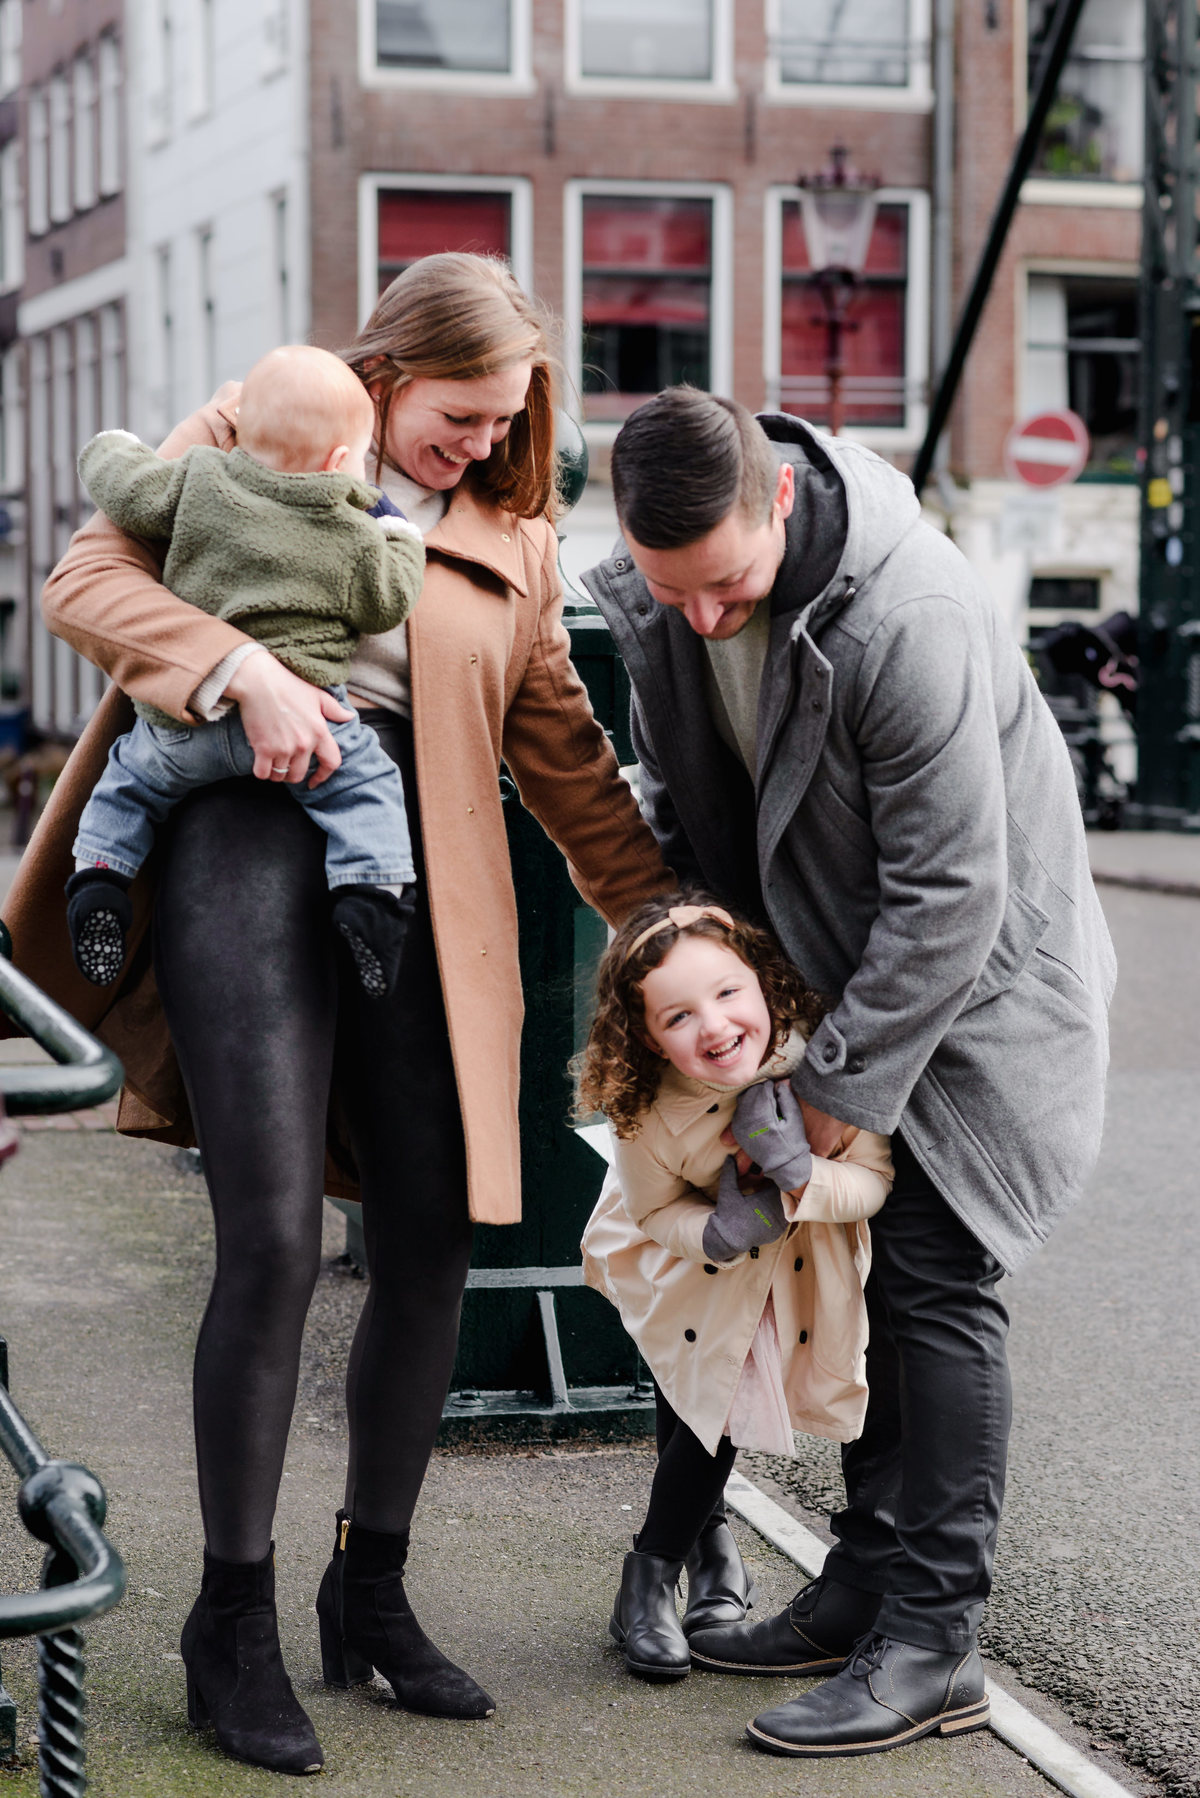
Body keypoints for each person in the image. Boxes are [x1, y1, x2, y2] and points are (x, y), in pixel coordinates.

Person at [2, 253, 670, 1776]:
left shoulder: (513, 527)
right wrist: (239, 669)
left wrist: (663, 916)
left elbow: (561, 748)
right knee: (275, 1236)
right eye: (459, 415)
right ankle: (226, 1615)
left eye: (507, 422)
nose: (481, 444)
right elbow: (85, 581)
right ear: (384, 375)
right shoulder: (260, 426)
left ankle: (371, 1584)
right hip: (239, 829)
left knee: (436, 1229)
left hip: (417, 873)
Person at [581, 385, 1116, 1758]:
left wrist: (828, 1104)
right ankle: (865, 1586)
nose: (701, 618)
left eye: (724, 589)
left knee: (938, 1282)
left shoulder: (906, 614)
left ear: (775, 503)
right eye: (666, 590)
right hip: (825, 982)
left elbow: (952, 895)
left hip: (978, 995)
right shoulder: (686, 595)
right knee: (864, 1273)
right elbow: (688, 793)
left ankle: (936, 1642)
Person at [576, 896, 892, 1683]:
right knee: (691, 1380)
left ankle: (660, 1567)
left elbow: (872, 1180)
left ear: (764, 982)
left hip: (780, 1265)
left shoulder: (816, 1062)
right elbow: (651, 1209)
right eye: (677, 1017)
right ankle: (686, 1563)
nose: (713, 1027)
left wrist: (796, 1171)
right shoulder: (644, 1106)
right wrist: (712, 1234)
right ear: (645, 1037)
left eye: (726, 994)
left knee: (717, 1402)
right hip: (681, 1254)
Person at [67, 345, 425, 1000]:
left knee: (128, 782)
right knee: (368, 788)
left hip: (186, 725)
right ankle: (370, 898)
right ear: (341, 461)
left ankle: (98, 877)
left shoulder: (199, 478)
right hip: (312, 728)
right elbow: (389, 601)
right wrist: (395, 529)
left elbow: (128, 488)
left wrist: (112, 443)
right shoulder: (351, 532)